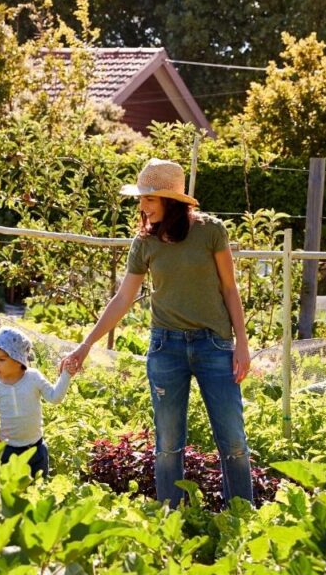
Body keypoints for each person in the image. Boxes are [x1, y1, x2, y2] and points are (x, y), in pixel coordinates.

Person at [60, 158, 254, 507]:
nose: (142, 206)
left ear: (170, 201)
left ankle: (241, 516)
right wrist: (85, 345)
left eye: (149, 199)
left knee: (233, 442)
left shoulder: (211, 231)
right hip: (167, 349)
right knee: (167, 444)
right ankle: (171, 518)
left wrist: (242, 343)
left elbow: (230, 289)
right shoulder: (144, 243)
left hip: (215, 346)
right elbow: (122, 299)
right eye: (141, 198)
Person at [0, 326, 71, 478]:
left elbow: (55, 397)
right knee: (9, 490)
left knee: (37, 488)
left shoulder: (33, 378)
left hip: (35, 448)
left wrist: (66, 374)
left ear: (18, 360)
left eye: (1, 359)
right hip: (8, 450)